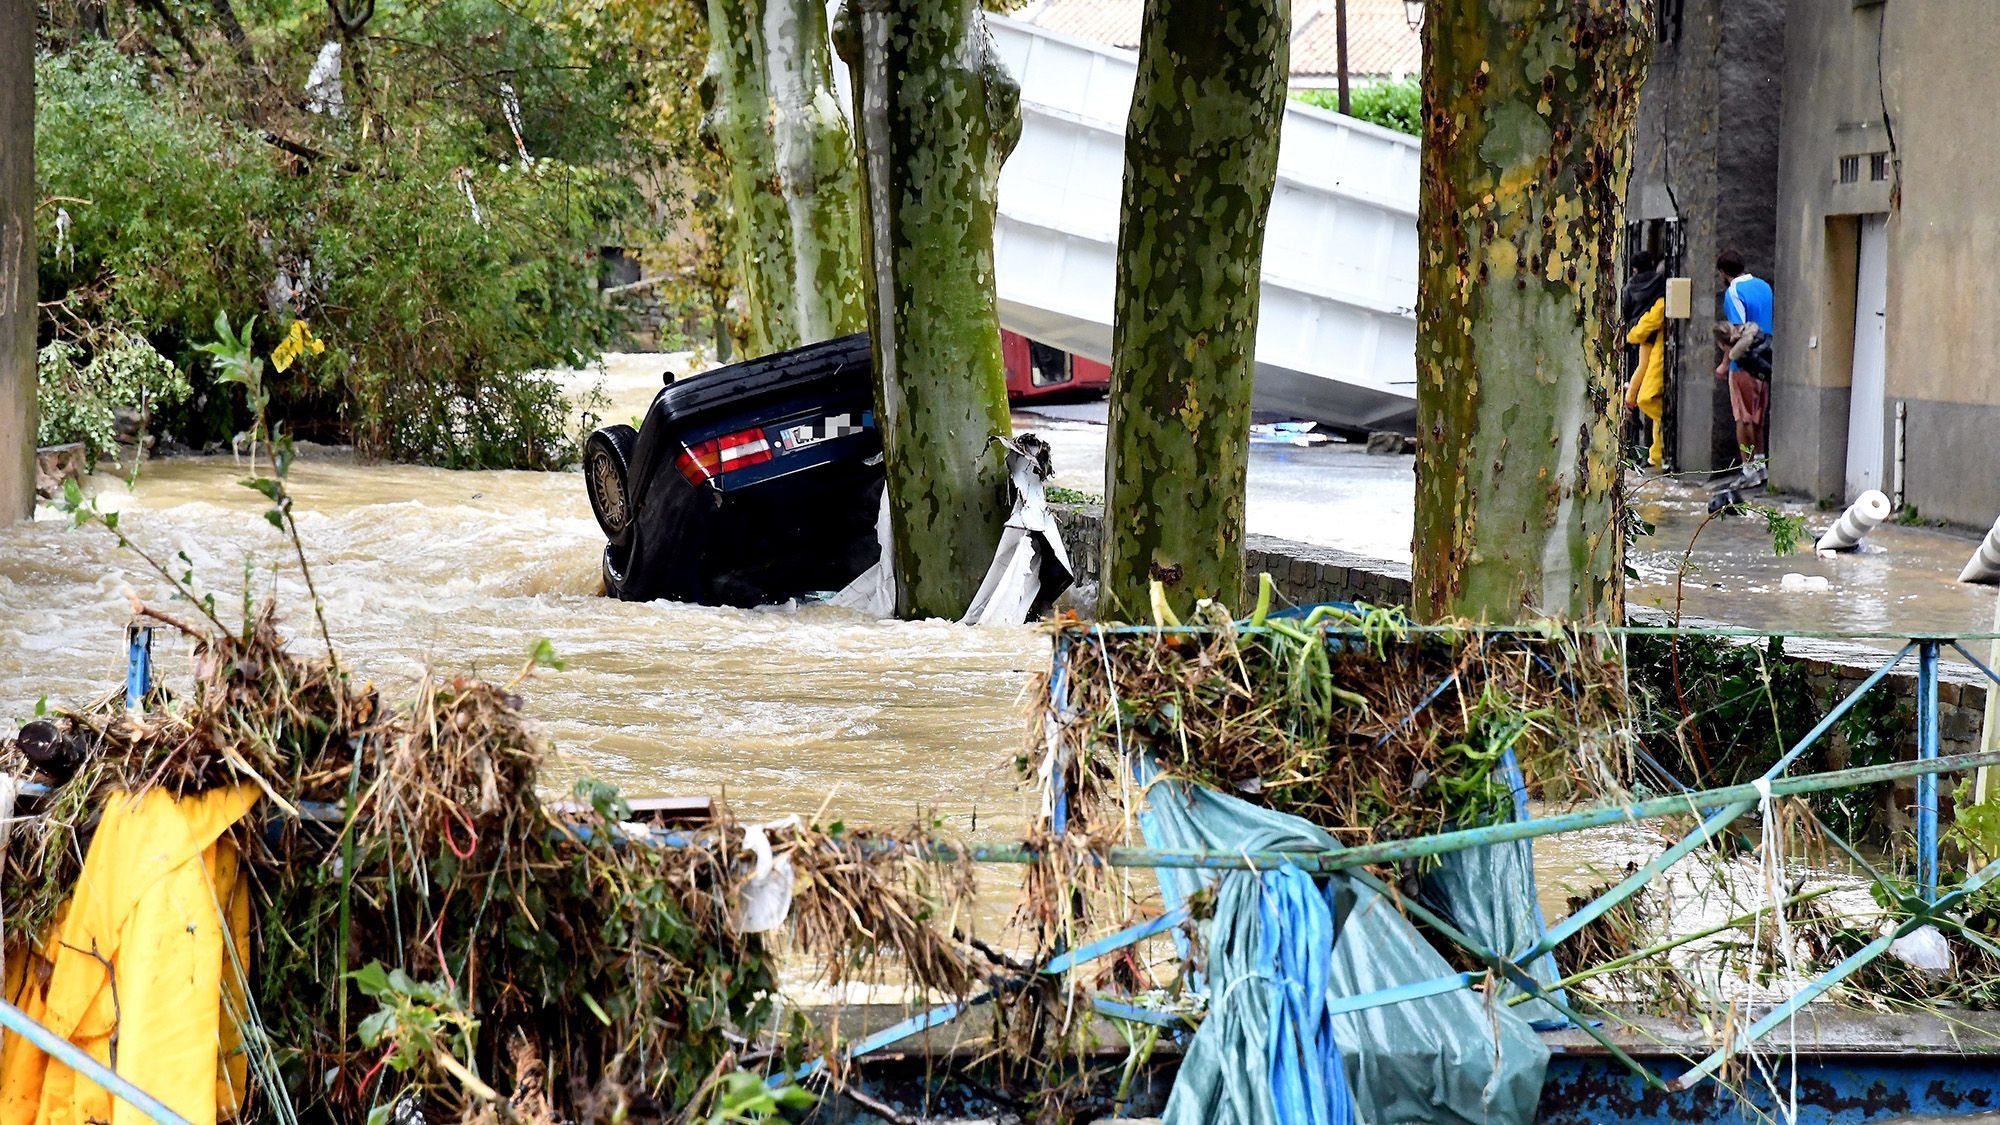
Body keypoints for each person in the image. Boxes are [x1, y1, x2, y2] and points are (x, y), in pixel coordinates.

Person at [1713, 250, 1774, 483]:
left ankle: (1748, 469)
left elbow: (1736, 332)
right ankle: (1760, 465)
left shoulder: (1733, 292)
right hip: (1765, 359)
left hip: (1744, 362)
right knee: (1758, 417)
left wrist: (1725, 363)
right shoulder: (1764, 286)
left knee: (1743, 418)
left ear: (1723, 273)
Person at [1622, 253, 1668, 472]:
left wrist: (1630, 334)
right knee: (1646, 385)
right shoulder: (1660, 287)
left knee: (1646, 391)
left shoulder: (1631, 287)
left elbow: (1628, 311)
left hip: (1642, 337)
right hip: (1653, 339)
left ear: (1634, 269)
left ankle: (1629, 400)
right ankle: (1655, 454)